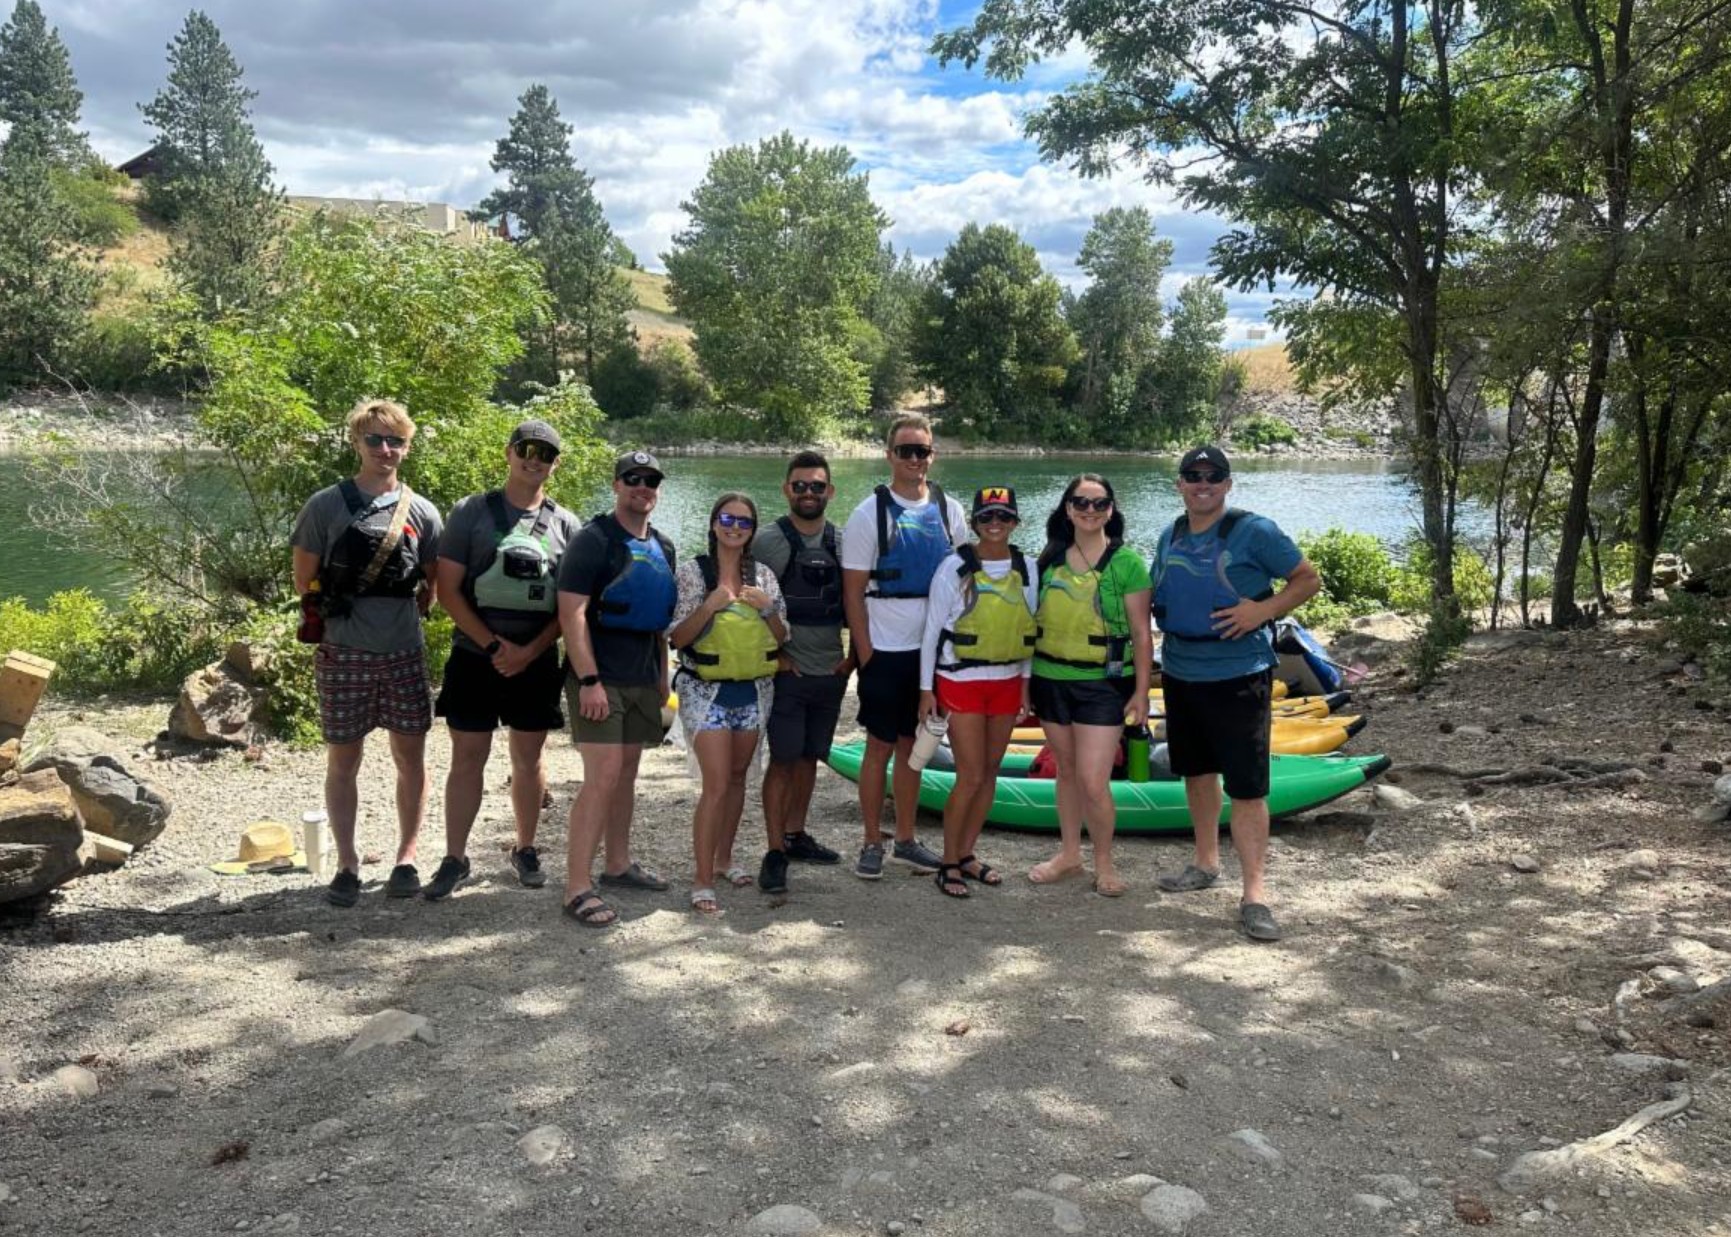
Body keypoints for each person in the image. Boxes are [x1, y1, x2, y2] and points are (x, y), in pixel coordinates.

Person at [1151, 446, 1321, 942]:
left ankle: (1255, 894)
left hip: (1238, 674)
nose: (1202, 484)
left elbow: (1307, 579)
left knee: (1247, 786)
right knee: (1197, 772)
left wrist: (1262, 611)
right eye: (1192, 476)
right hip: (1182, 671)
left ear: (1227, 484)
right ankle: (1205, 863)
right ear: (1179, 484)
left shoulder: (1256, 530)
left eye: (1213, 476)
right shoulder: (1171, 534)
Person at [290, 398, 443, 907]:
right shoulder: (325, 505)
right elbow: (303, 577)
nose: (385, 449)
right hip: (344, 650)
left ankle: (407, 857)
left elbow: (433, 585)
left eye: (394, 440)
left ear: (407, 446)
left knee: (411, 758)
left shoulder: (422, 512)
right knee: (344, 758)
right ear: (356, 442)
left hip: (402, 650)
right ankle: (347, 863)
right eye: (374, 439)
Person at [422, 419, 582, 901]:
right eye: (527, 449)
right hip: (475, 657)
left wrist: (530, 651)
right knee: (468, 757)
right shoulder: (471, 512)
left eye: (547, 453)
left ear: (555, 465)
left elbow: (571, 605)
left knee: (529, 758)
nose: (535, 459)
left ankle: (526, 847)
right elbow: (447, 590)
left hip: (535, 661)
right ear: (509, 452)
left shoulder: (566, 524)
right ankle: (455, 857)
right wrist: (494, 647)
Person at [840, 413, 968, 880]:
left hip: (934, 650)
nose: (915, 459)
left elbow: (963, 577)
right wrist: (866, 651)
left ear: (932, 455)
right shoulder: (867, 514)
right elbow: (852, 591)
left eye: (922, 451)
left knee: (915, 745)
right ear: (889, 455)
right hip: (886, 649)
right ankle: (873, 840)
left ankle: (908, 839)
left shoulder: (948, 508)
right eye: (905, 451)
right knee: (879, 746)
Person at [554, 450, 679, 927]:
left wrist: (663, 675)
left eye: (650, 481)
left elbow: (659, 621)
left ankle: (618, 864)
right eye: (633, 479)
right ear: (616, 485)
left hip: (644, 674)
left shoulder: (663, 545)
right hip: (599, 678)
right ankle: (576, 886)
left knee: (627, 772)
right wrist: (589, 680)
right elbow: (573, 615)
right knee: (601, 776)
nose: (642, 487)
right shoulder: (593, 540)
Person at [1026, 474, 1153, 897]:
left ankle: (1104, 863)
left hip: (1103, 684)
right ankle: (1069, 854)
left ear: (1111, 511)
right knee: (1065, 771)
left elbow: (1141, 634)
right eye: (1081, 502)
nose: (1090, 510)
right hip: (1050, 679)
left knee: (1093, 780)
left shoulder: (1127, 563)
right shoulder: (1049, 559)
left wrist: (1141, 692)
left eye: (1100, 504)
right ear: (1067, 508)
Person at [667, 493, 788, 914]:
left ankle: (724, 859)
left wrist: (768, 608)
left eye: (744, 522)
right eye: (727, 519)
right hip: (705, 691)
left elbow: (780, 636)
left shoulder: (765, 577)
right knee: (716, 785)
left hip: (753, 692)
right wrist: (710, 605)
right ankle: (701, 879)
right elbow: (678, 638)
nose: (735, 528)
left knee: (738, 779)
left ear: (753, 530)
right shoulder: (691, 574)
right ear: (714, 523)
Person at [918, 486, 1038, 898]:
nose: (995, 525)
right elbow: (932, 631)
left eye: (1003, 517)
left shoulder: (1028, 567)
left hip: (1006, 682)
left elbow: (1027, 628)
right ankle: (948, 861)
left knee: (989, 774)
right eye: (987, 518)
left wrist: (1025, 683)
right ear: (974, 522)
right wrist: (925, 689)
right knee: (969, 775)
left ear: (1015, 523)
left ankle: (967, 853)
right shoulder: (954, 566)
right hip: (960, 680)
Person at [754, 451, 849, 895]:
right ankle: (774, 851)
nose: (808, 493)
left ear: (829, 491)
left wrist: (852, 662)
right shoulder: (767, 541)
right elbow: (741, 600)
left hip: (830, 671)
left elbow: (861, 605)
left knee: (811, 757)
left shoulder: (843, 541)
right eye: (800, 486)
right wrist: (773, 659)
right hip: (787, 673)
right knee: (784, 759)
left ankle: (796, 835)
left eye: (816, 486)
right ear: (786, 489)